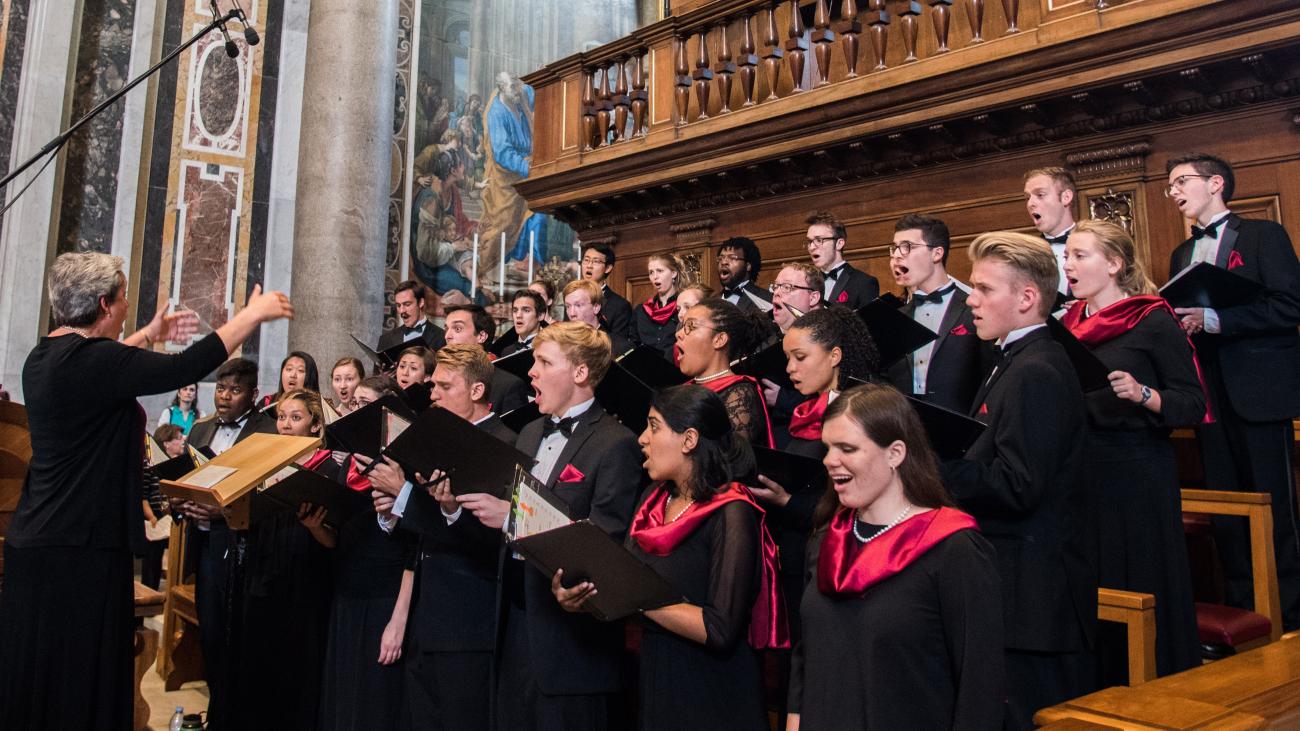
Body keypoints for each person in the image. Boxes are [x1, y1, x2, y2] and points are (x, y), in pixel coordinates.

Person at [0, 251, 292, 729]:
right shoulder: (97, 362)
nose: (125, 305)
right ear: (103, 304)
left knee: (42, 677)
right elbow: (183, 368)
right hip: (81, 545)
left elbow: (99, 370)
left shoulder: (43, 356)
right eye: (122, 298)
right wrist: (250, 316)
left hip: (39, 540)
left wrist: (147, 335)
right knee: (79, 682)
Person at [554, 384, 786, 731]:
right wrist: (581, 599)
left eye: (654, 426)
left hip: (715, 696)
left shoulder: (731, 511)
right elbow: (624, 585)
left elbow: (719, 628)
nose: (642, 439)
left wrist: (636, 597)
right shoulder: (653, 499)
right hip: (656, 680)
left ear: (689, 439)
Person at [940, 231, 1095, 729]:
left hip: (1034, 597)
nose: (970, 299)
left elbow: (1016, 486)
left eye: (984, 288)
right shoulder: (1014, 360)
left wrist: (929, 466)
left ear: (1027, 298)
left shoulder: (1038, 371)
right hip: (1015, 587)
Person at [788, 383, 1004, 729]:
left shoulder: (954, 549)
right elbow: (806, 654)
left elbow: (980, 684)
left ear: (895, 453)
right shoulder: (826, 539)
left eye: (848, 448)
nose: (830, 460)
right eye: (828, 447)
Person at [462, 322, 644, 731]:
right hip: (513, 623)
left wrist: (511, 517)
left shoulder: (616, 443)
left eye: (544, 362)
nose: (532, 372)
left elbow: (603, 543)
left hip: (570, 645)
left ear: (580, 373)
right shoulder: (528, 432)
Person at [1062, 219, 1205, 680]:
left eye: (1080, 255)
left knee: (1141, 580)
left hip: (1137, 472)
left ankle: (1155, 682)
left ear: (1114, 263)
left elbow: (1192, 403)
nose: (1069, 264)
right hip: (1081, 470)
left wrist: (1143, 393)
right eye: (1067, 255)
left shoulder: (1153, 318)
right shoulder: (1065, 323)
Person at [1165, 152, 1300, 630]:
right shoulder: (1182, 255)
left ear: (1216, 183)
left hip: (1259, 392)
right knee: (1228, 510)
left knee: (1274, 508)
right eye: (1170, 185)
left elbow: (1290, 306)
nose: (1175, 191)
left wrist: (1218, 320)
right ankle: (1245, 609)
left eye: (1182, 181)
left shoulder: (1264, 236)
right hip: (1209, 396)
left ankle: (1289, 614)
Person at [363, 344, 515, 730]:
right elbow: (421, 531)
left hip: (470, 619)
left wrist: (408, 497)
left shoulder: (504, 443)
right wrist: (391, 511)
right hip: (426, 613)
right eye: (433, 387)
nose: (432, 394)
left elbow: (489, 541)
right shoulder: (434, 435)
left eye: (444, 387)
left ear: (477, 391)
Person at [752, 306, 879, 641]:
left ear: (834, 355)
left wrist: (788, 501)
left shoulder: (862, 412)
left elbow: (858, 505)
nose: (790, 369)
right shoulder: (805, 410)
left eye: (800, 357)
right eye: (788, 358)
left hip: (840, 563)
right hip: (797, 554)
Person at [230, 389, 339, 731]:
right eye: (281, 417)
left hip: (306, 576)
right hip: (264, 570)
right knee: (260, 662)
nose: (286, 425)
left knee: (298, 665)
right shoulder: (263, 459)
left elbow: (335, 539)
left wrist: (315, 527)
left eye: (296, 418)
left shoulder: (329, 466)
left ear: (314, 424)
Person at [182, 357, 279, 729]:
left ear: (253, 395)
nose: (224, 397)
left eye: (235, 390)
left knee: (240, 635)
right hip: (205, 544)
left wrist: (222, 513)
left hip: (245, 548)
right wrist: (181, 501)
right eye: (221, 389)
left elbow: (268, 494)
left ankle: (237, 715)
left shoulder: (266, 431)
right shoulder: (200, 430)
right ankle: (217, 710)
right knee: (210, 630)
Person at [885, 213, 995, 414]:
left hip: (960, 425)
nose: (897, 255)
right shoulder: (896, 316)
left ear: (937, 253)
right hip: (905, 426)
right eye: (895, 248)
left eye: (907, 246)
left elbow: (990, 377)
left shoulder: (974, 307)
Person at [673, 298, 775, 446]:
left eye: (691, 326)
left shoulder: (739, 394)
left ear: (719, 339)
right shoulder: (684, 389)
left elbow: (729, 461)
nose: (679, 334)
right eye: (682, 326)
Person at [444, 303, 530, 413]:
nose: (447, 336)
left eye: (457, 328)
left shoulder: (508, 386)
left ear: (481, 336)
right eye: (446, 329)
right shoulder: (443, 377)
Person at [804, 211, 879, 308]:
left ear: (839, 243)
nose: (811, 247)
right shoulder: (807, 282)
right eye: (810, 241)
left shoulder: (864, 283)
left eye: (819, 240)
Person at [1023, 166, 1078, 296]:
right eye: (1027, 197)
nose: (1030, 203)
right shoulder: (1025, 254)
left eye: (1040, 195)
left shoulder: (1097, 246)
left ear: (1066, 197)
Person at [635, 253, 689, 360]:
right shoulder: (641, 310)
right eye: (651, 272)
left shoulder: (685, 308)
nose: (655, 277)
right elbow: (633, 343)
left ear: (673, 273)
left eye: (660, 271)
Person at [563, 278, 633, 356]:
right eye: (568, 306)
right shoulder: (561, 344)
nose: (572, 313)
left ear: (596, 307)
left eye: (578, 305)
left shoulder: (618, 347)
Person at [580, 243, 634, 341]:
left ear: (608, 268)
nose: (589, 266)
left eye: (595, 262)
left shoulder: (620, 306)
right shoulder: (572, 299)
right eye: (586, 260)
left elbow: (619, 344)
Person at [377, 280, 447, 352]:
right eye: (398, 305)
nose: (401, 311)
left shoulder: (442, 337)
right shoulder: (385, 340)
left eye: (407, 304)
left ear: (421, 303)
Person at [716, 236, 773, 313]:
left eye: (732, 258)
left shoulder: (767, 299)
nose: (723, 262)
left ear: (748, 266)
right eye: (721, 258)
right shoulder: (710, 301)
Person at [500, 289, 547, 356]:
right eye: (515, 310)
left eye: (526, 310)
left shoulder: (550, 349)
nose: (518, 315)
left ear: (540, 315)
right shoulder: (506, 352)